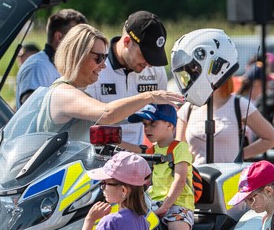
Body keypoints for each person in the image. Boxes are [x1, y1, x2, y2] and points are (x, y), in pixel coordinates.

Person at [23, 24, 183, 144]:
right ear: (76, 56)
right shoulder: (63, 93)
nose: (103, 65)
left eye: (105, 57)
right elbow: (107, 114)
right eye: (98, 58)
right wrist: (151, 96)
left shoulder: (74, 91)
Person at [85, 11, 170, 153]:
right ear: (127, 42)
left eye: (154, 57)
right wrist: (138, 151)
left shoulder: (156, 70)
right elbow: (86, 129)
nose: (150, 63)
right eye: (146, 55)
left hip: (142, 157)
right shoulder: (96, 67)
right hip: (98, 157)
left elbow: (163, 121)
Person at [176, 72, 274, 165]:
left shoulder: (238, 104)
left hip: (229, 177)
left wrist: (240, 155)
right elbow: (178, 149)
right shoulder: (188, 108)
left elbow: (272, 138)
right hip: (197, 177)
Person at [15, 8, 87, 107]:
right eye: (77, 38)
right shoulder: (37, 66)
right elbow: (32, 107)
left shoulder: (62, 65)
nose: (83, 44)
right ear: (59, 37)